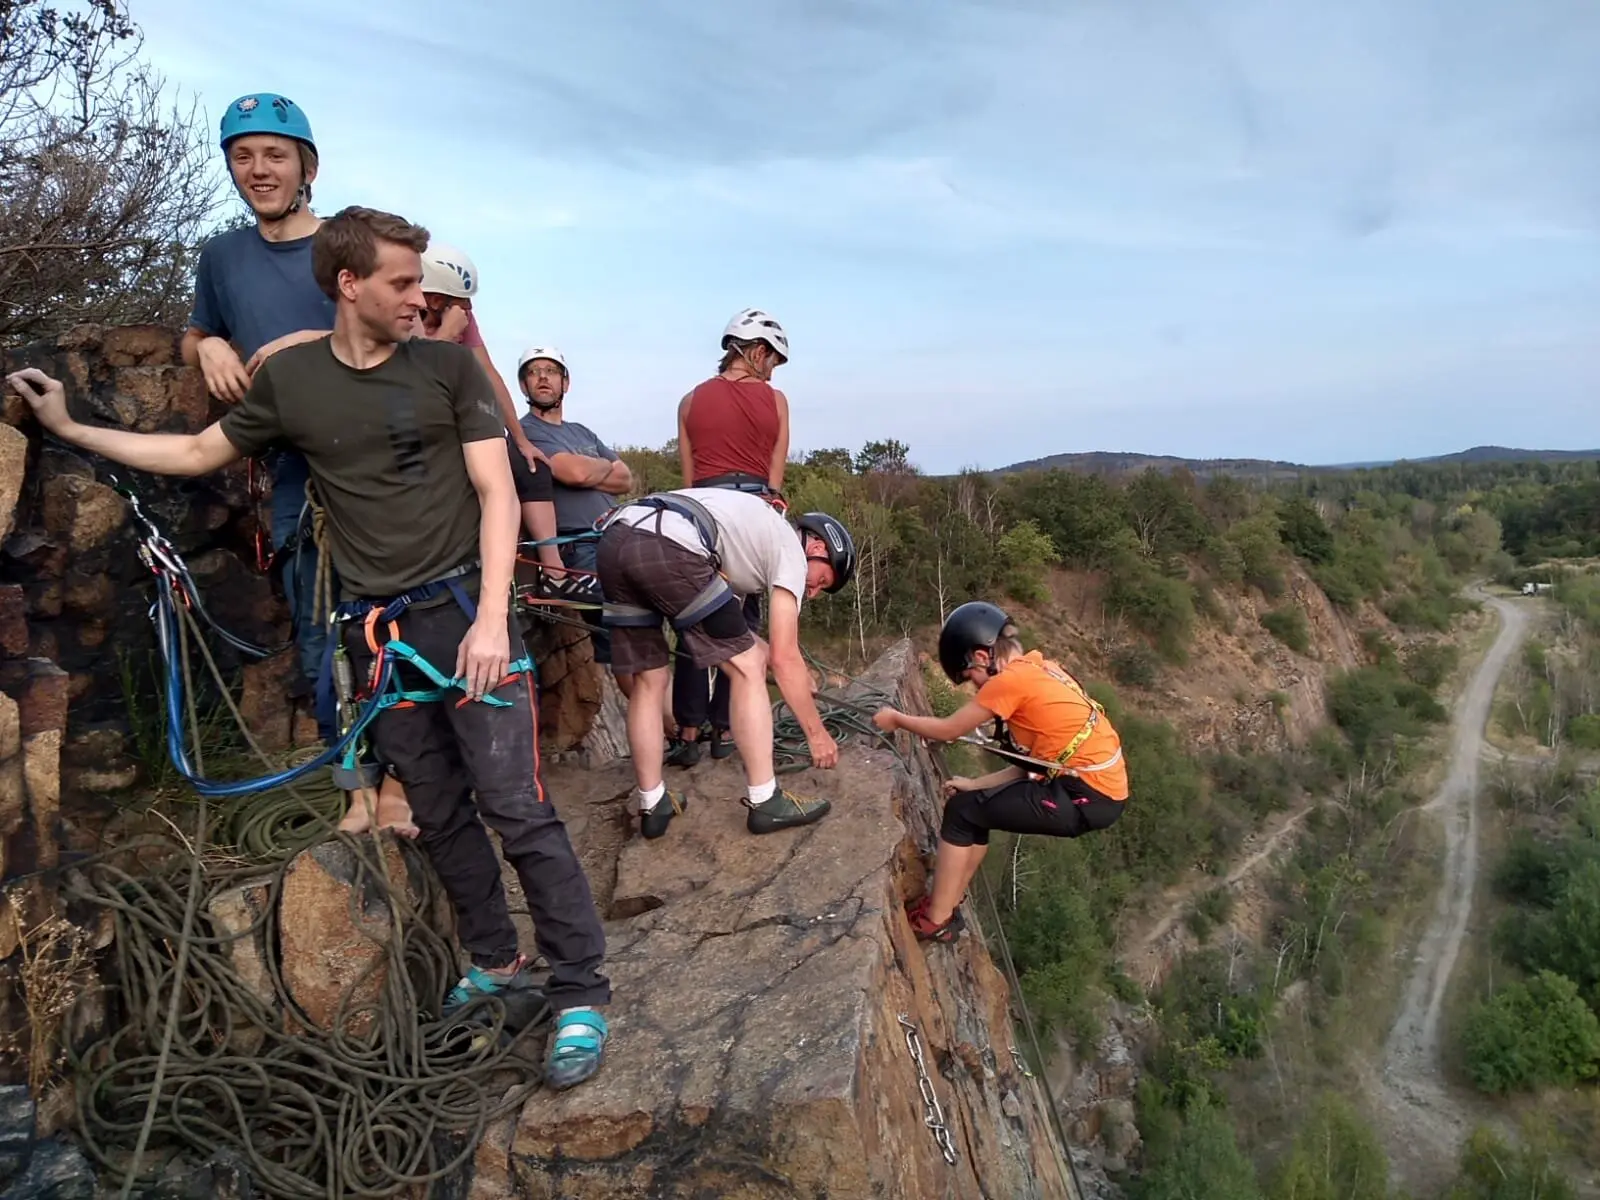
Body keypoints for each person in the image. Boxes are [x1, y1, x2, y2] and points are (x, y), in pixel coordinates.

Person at [8, 206, 612, 1090]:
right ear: (349, 285)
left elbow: (496, 495)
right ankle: (495, 961)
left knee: (516, 808)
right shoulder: (294, 386)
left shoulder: (449, 370)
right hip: (378, 634)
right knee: (439, 812)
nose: (421, 298)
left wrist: (492, 618)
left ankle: (580, 991)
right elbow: (194, 451)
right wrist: (67, 429)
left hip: (461, 615)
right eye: (403, 283)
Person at [181, 91, 413, 834]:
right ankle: (355, 787)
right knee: (320, 633)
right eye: (242, 157)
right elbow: (198, 334)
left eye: (274, 155)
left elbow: (401, 336)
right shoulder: (221, 258)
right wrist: (207, 344)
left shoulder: (348, 248)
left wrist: (307, 350)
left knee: (394, 621)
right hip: (293, 476)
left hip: (378, 467)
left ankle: (405, 785)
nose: (258, 170)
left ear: (306, 166)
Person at [594, 488, 855, 839]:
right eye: (821, 581)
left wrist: (789, 672)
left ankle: (653, 804)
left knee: (649, 679)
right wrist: (817, 734)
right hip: (668, 543)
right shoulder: (790, 550)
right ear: (819, 548)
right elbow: (781, 655)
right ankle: (765, 802)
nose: (813, 592)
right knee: (746, 669)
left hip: (617, 540)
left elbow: (739, 637)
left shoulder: (749, 537)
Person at [871, 602, 1130, 943]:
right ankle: (949, 901)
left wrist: (896, 719)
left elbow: (948, 730)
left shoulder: (1009, 682)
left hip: (1085, 795)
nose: (976, 687)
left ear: (981, 656)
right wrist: (975, 783)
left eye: (970, 677)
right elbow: (1031, 766)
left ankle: (937, 920)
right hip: (1095, 791)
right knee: (972, 807)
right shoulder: (1043, 669)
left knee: (962, 813)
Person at [667, 308, 793, 766]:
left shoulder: (688, 401)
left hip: (701, 515)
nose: (773, 370)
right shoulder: (776, 402)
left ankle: (686, 732)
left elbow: (688, 483)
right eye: (773, 360)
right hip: (752, 514)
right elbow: (773, 484)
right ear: (757, 352)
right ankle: (726, 729)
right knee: (741, 630)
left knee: (695, 625)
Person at [411, 246, 565, 582]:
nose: (468, 308)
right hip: (418, 424)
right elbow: (416, 369)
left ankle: (554, 573)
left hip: (456, 416)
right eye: (459, 301)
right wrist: (449, 334)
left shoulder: (460, 312)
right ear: (434, 297)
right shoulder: (406, 309)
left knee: (530, 466)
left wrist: (521, 441)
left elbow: (488, 375)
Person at [515, 346, 632, 651]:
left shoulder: (582, 432)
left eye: (551, 371)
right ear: (523, 384)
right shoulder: (524, 431)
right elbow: (576, 474)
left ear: (565, 383)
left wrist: (590, 471)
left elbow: (626, 480)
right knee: (627, 632)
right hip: (578, 546)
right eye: (534, 372)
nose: (543, 378)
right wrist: (602, 467)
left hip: (618, 536)